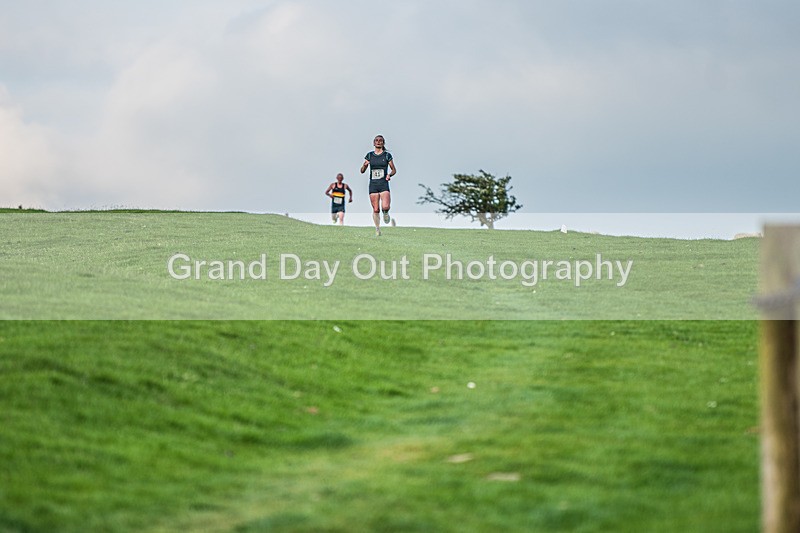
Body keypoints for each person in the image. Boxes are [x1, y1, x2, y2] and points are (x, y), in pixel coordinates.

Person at [360, 134, 396, 236]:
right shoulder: (369, 155)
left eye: (380, 140)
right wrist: (364, 165)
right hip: (373, 184)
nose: (378, 142)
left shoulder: (387, 155)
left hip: (383, 183)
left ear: (383, 143)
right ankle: (377, 228)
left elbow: (394, 170)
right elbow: (362, 171)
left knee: (385, 206)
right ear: (374, 143)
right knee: (376, 209)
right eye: (376, 140)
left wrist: (389, 175)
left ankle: (386, 213)